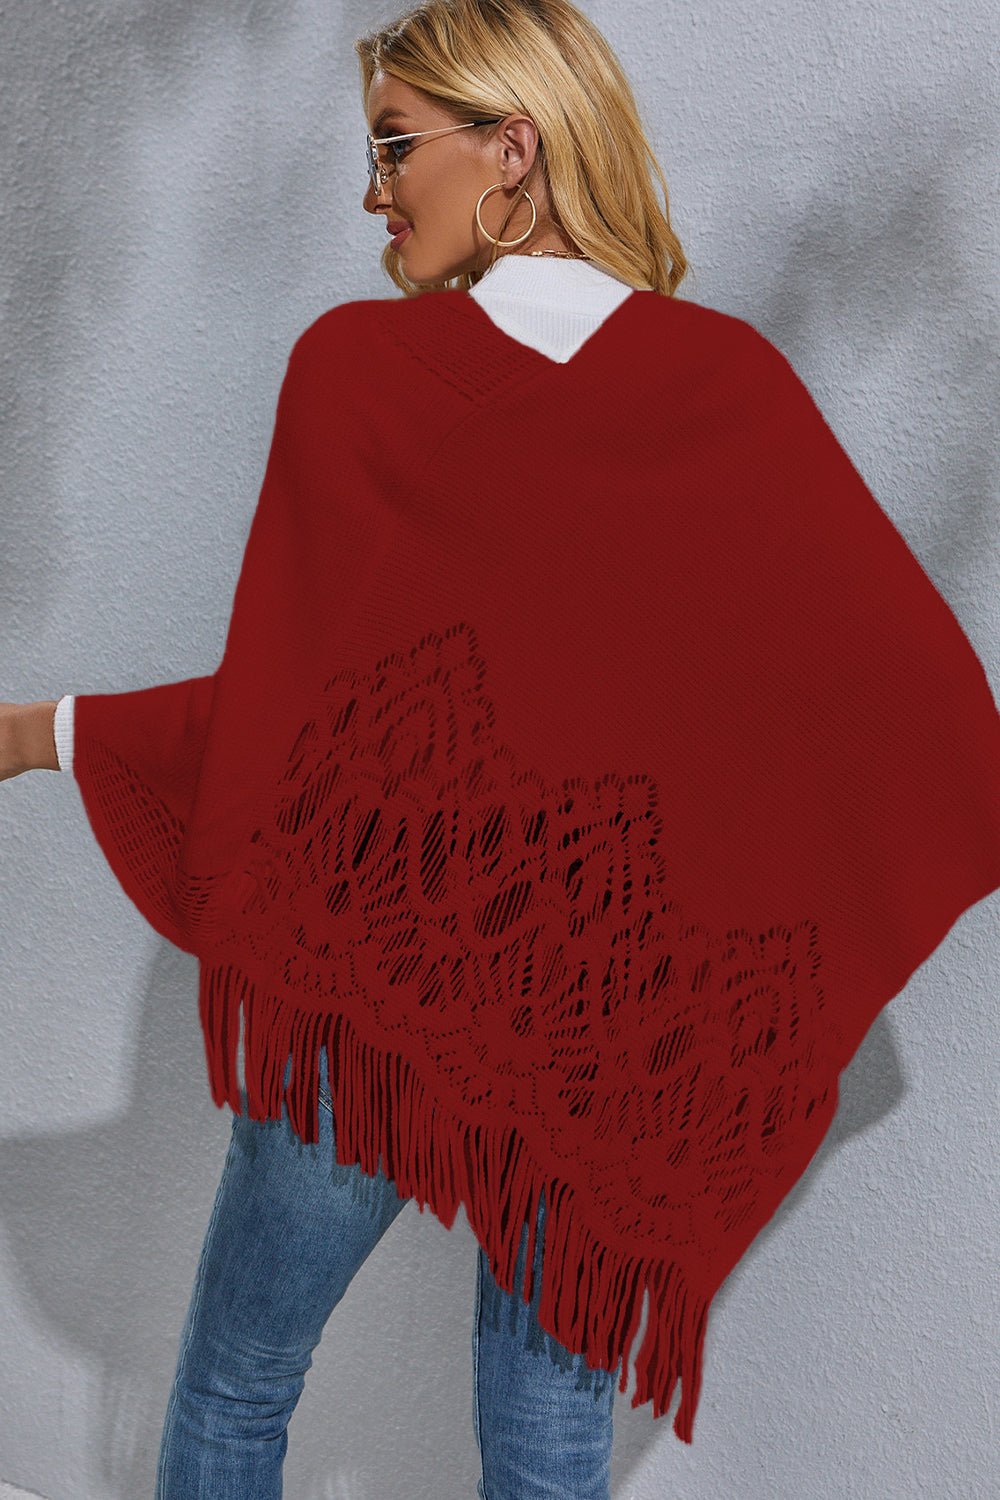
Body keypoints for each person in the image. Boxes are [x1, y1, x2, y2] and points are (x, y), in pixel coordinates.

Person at [1, 3, 693, 1494]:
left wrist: (46, 732)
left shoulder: (376, 373)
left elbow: (309, 725)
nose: (371, 193)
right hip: (604, 1003)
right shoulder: (705, 396)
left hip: (393, 973)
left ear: (512, 148)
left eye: (392, 148)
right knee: (551, 1428)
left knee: (239, 1382)